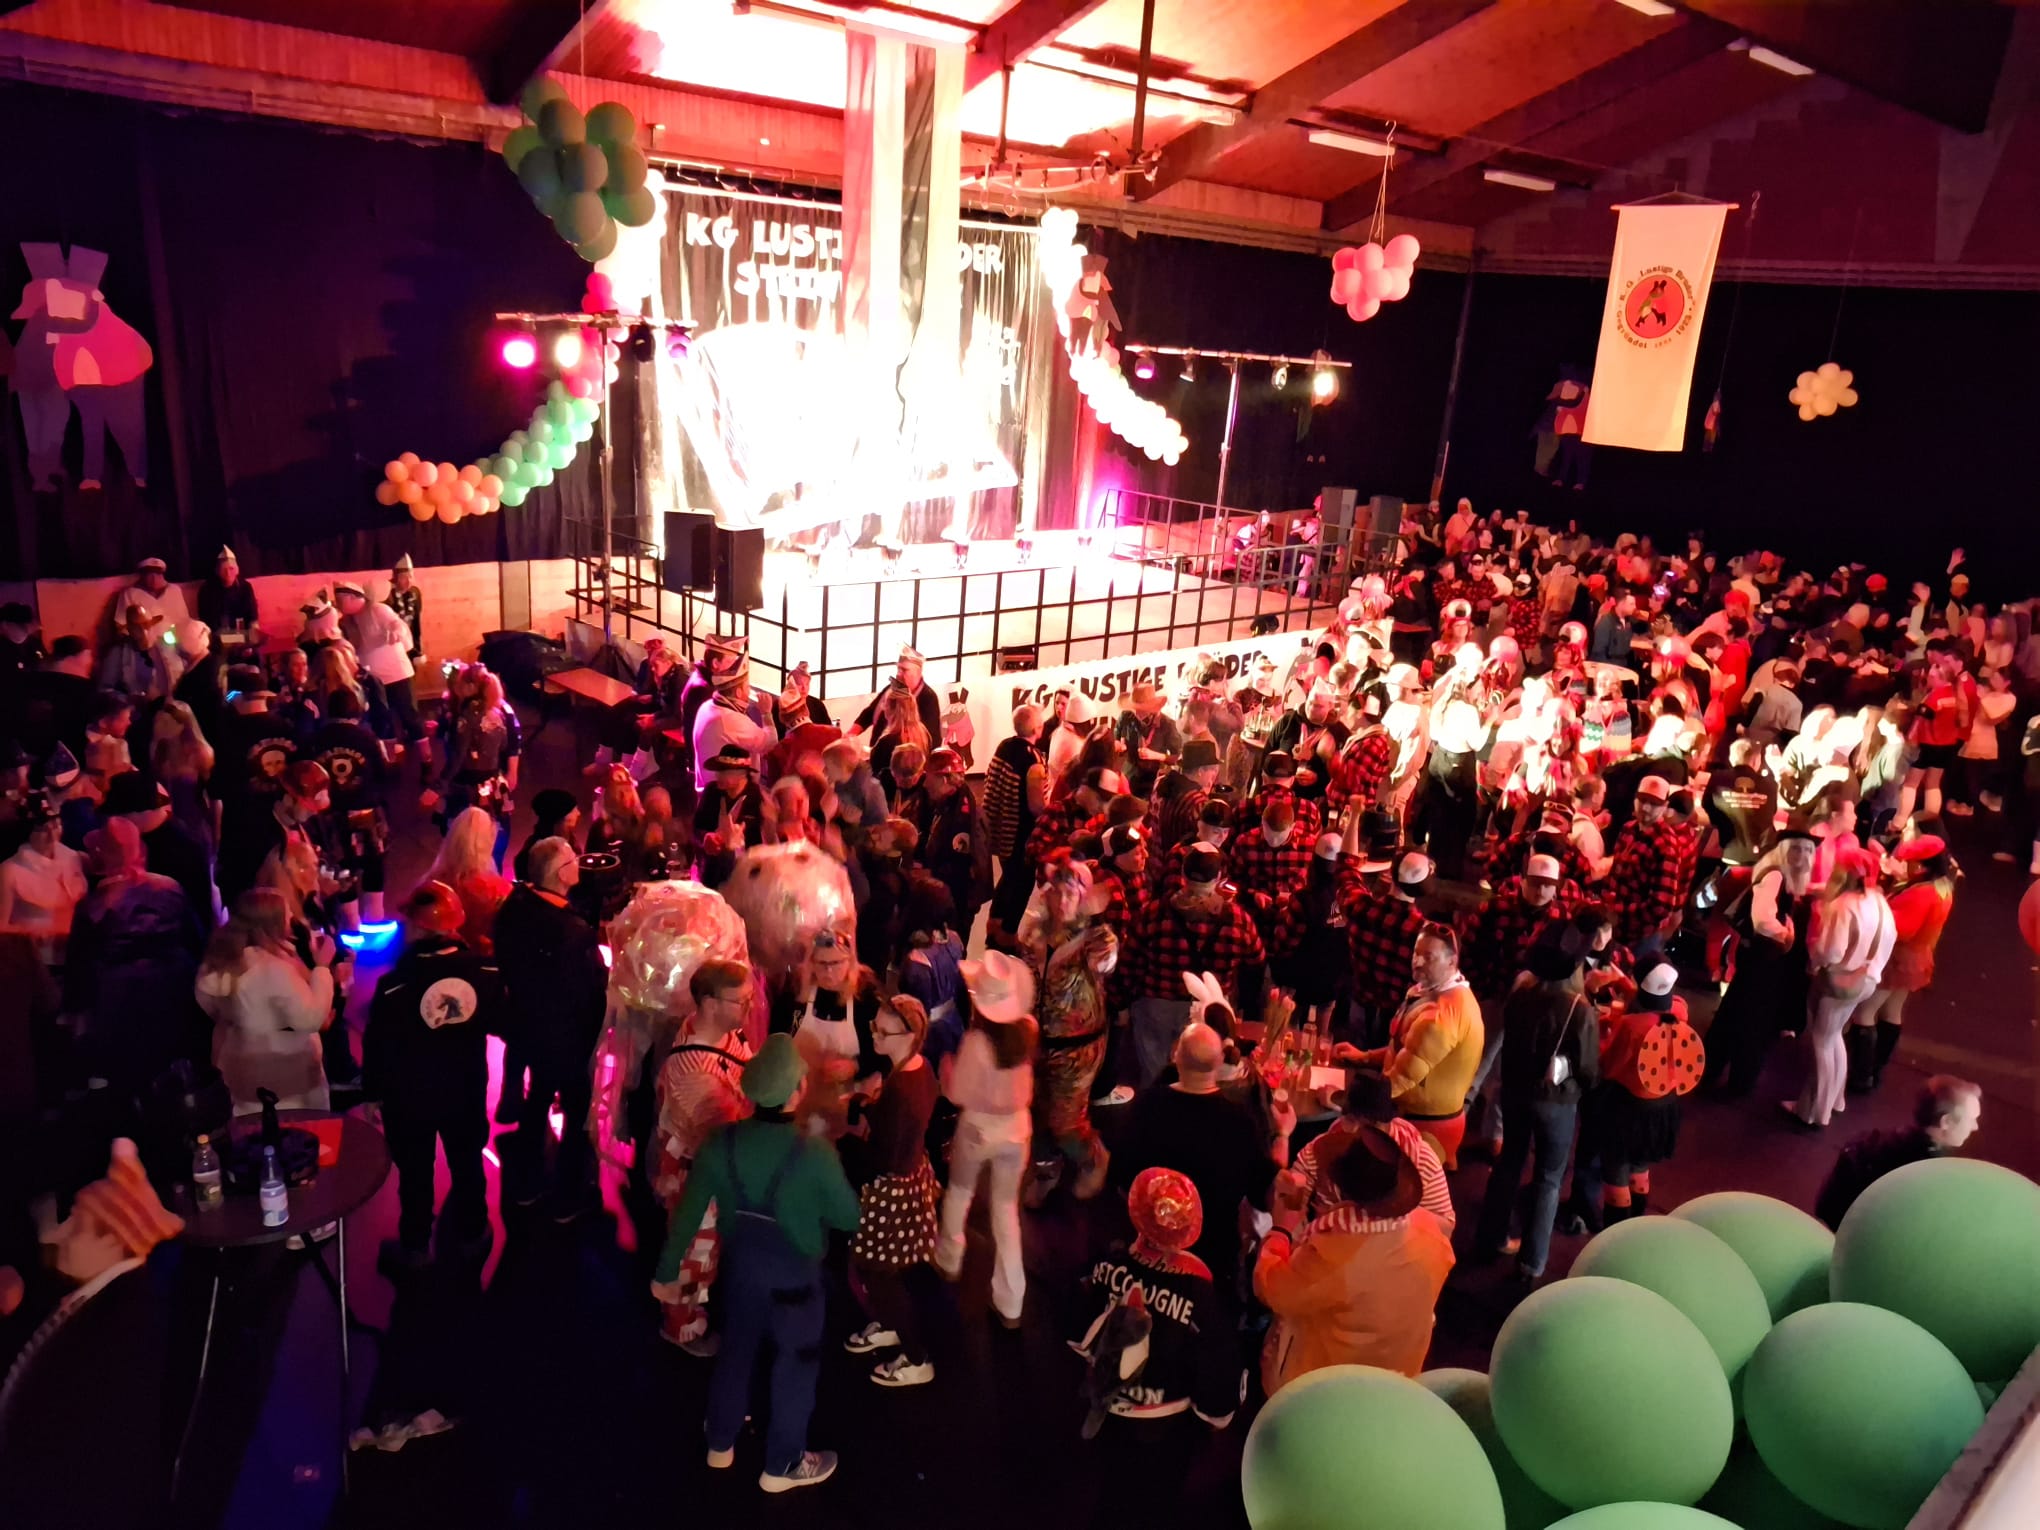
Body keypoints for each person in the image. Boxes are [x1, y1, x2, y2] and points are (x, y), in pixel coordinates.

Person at [652, 1034, 859, 1493]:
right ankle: (782, 1464)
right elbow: (848, 1216)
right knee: (795, 1364)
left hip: (742, 1269)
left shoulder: (721, 1143)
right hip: (796, 1277)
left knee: (736, 1350)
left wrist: (665, 1274)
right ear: (797, 1090)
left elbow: (687, 1216)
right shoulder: (814, 1153)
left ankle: (720, 1442)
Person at [363, 880, 505, 1272]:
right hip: (465, 1089)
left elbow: (378, 1045)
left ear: (418, 927)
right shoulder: (485, 972)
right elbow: (502, 1021)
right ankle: (473, 1234)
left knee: (415, 1173)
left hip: (410, 1098)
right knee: (467, 1162)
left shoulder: (393, 986)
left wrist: (372, 1093)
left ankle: (415, 1246)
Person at [1253, 1121, 1454, 1392]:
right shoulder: (1429, 1231)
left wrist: (1280, 1231)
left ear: (1341, 1186)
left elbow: (1273, 1290)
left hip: (1329, 1384)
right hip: (1400, 1375)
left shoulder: (1334, 1253)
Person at [1117, 1019, 1290, 1295]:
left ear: (1176, 1057)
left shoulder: (1146, 1106)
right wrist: (1283, 1135)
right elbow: (1267, 1196)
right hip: (1213, 1264)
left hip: (1147, 1256)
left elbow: (1122, 1177)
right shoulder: (1239, 1123)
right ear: (1219, 1062)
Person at [1069, 1168, 1242, 1435]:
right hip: (1161, 1421)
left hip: (1098, 1403)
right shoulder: (1200, 1292)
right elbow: (1216, 1374)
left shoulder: (1106, 1263)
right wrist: (1218, 1416)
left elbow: (1075, 1325)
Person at [494, 837, 609, 1219]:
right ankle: (568, 1193)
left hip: (527, 1027)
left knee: (538, 1096)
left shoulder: (514, 906)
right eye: (573, 859)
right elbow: (587, 994)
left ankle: (526, 1182)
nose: (579, 863)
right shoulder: (571, 931)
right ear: (560, 875)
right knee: (576, 1112)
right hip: (565, 1038)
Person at [1472, 935, 1597, 1280]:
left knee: (1508, 1163)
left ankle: (1490, 1238)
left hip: (1515, 1093)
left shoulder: (1519, 997)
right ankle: (1532, 1263)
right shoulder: (1580, 1009)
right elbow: (1588, 1070)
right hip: (1556, 1102)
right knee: (1549, 1179)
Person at [650, 958, 756, 1355]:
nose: (749, 1009)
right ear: (710, 1004)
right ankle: (681, 1327)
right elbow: (720, 1135)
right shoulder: (695, 1073)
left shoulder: (716, 1031)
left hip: (706, 1161)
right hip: (695, 1170)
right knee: (693, 1250)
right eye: (740, 1001)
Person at [841, 993, 941, 1387]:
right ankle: (888, 1322)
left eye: (884, 1032)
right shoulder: (918, 1068)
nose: (874, 1036)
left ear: (910, 1035)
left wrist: (849, 1143)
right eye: (874, 1028)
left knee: (878, 1271)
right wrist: (869, 1107)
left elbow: (885, 1158)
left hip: (891, 1191)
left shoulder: (901, 1090)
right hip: (909, 1179)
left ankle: (916, 1358)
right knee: (883, 1269)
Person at [934, 952, 1037, 1329]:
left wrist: (947, 1069)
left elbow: (958, 1093)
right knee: (1006, 1210)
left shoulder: (976, 1042)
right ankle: (1011, 1301)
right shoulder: (1028, 1031)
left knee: (960, 1194)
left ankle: (948, 1259)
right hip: (1018, 1129)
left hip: (978, 1129)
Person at [64, 818, 203, 1096]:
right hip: (172, 990)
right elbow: (196, 938)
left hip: (117, 1002)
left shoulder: (94, 905)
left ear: (100, 855)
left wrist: (75, 1014)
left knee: (126, 1082)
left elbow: (79, 967)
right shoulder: (170, 888)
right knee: (168, 1074)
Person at [1567, 959, 1701, 1230]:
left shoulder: (1632, 1026)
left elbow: (1609, 1067)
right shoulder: (1680, 1013)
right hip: (1663, 1108)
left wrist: (1603, 1033)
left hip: (1629, 1108)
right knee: (1640, 1166)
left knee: (1616, 1170)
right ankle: (1637, 1224)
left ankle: (1615, 1231)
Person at [1016, 854, 1117, 1204]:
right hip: (1037, 1039)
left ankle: (1093, 1159)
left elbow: (1106, 960)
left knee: (1066, 1122)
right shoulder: (1034, 931)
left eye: (1071, 892)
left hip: (1078, 1046)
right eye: (1057, 891)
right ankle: (1047, 1170)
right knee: (1035, 1111)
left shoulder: (1094, 938)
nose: (1062, 900)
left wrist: (1098, 929)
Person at [1340, 922, 1483, 1168]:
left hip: (1425, 1128)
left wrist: (1347, 1103)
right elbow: (1405, 1050)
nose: (1417, 962)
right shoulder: (1434, 991)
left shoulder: (1441, 1016)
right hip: (1421, 1114)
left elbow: (1400, 1080)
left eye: (1429, 957)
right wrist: (1364, 1056)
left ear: (1452, 962)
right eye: (1416, 953)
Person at [1123, 844, 1266, 1085]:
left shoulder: (1153, 913)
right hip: (1212, 1010)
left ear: (1182, 874)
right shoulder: (1238, 919)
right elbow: (1257, 961)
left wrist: (1121, 1002)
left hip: (1158, 1006)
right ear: (1218, 877)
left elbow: (1130, 961)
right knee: (1204, 1079)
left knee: (1155, 1077)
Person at [196, 886, 338, 1113]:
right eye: (287, 913)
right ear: (273, 923)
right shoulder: (273, 969)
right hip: (287, 1079)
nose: (291, 918)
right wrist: (322, 967)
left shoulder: (219, 961)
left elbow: (208, 1004)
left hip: (239, 1072)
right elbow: (310, 1019)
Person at [1786, 847, 1895, 1130]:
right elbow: (1890, 940)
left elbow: (1830, 951)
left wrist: (1815, 961)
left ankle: (1813, 1111)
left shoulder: (1842, 907)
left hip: (1837, 982)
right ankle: (1835, 1100)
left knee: (1822, 1042)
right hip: (1867, 980)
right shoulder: (1880, 902)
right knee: (1834, 1038)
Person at [1814, 1075, 1983, 1229]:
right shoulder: (1930, 1179)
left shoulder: (1877, 1141)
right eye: (1971, 1120)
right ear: (1946, 1122)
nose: (1975, 1127)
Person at [335, 579, 422, 743]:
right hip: (373, 680)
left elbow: (397, 624)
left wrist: (396, 632)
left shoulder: (378, 609)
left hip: (397, 674)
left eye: (340, 600)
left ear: (352, 598)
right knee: (382, 720)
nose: (338, 604)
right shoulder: (346, 622)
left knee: (408, 715)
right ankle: (391, 751)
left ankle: (423, 751)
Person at [0, 796, 87, 958]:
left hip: (74, 954)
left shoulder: (73, 857)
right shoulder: (10, 870)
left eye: (55, 825)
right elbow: (1, 926)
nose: (51, 834)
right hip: (36, 958)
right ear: (28, 832)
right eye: (42, 829)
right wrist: (32, 932)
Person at [196, 545, 262, 651]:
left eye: (231, 569)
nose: (228, 573)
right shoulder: (207, 589)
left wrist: (252, 638)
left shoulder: (245, 587)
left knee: (255, 649)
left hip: (243, 635)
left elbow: (252, 616)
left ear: (237, 570)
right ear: (217, 571)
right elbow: (207, 620)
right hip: (218, 637)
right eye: (224, 569)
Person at [516, 787, 581, 884]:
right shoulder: (538, 852)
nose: (578, 813)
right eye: (574, 810)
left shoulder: (569, 838)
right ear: (564, 815)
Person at [385, 553, 423, 662]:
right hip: (393, 647)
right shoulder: (388, 595)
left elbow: (416, 624)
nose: (408, 581)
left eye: (410, 576)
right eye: (403, 577)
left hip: (410, 646)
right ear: (395, 578)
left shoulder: (415, 593)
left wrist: (418, 650)